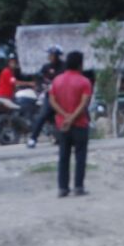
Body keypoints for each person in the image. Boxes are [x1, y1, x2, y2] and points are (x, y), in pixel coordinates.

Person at [49, 51, 93, 198]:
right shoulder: (84, 82)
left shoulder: (57, 80)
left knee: (63, 156)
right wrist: (73, 117)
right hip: (80, 123)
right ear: (80, 64)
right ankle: (78, 187)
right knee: (80, 156)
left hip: (62, 124)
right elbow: (84, 103)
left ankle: (63, 187)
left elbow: (52, 101)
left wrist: (65, 116)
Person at [27, 45, 65, 148]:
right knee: (42, 116)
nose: (51, 57)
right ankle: (33, 139)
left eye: (53, 55)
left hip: (63, 97)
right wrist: (41, 86)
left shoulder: (64, 67)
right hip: (50, 97)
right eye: (50, 55)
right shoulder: (46, 67)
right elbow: (39, 79)